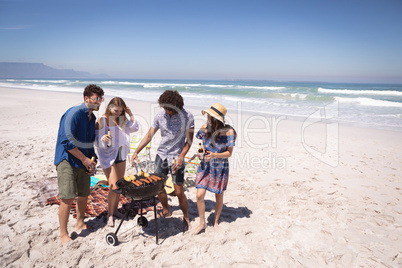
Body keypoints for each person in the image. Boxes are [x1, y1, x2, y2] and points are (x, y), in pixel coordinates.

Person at [131, 90, 194, 228]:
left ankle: (186, 216)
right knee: (158, 187)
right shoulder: (160, 115)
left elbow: (189, 141)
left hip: (177, 156)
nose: (166, 111)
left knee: (178, 191)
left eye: (168, 109)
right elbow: (149, 136)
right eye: (164, 107)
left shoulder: (188, 116)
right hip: (161, 156)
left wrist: (181, 157)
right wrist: (136, 151)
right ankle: (166, 210)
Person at [54, 84, 105, 244]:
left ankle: (80, 223)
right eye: (96, 99)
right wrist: (84, 159)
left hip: (84, 160)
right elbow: (66, 141)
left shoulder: (92, 119)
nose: (99, 102)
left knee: (84, 195)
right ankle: (63, 234)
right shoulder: (74, 113)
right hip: (66, 160)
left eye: (100, 99)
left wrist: (92, 159)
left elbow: (89, 142)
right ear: (86, 99)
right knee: (67, 198)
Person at [95, 97, 139, 227]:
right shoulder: (102, 120)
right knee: (113, 186)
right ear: (109, 107)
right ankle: (110, 215)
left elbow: (134, 128)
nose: (117, 113)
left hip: (121, 153)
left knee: (119, 186)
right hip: (108, 155)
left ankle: (115, 210)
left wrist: (130, 114)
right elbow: (96, 140)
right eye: (115, 110)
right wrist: (102, 137)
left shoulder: (122, 119)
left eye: (120, 111)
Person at [193, 103, 236, 235]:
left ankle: (216, 221)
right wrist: (201, 152)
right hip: (205, 165)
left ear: (216, 119)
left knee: (219, 195)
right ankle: (202, 223)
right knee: (199, 195)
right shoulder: (205, 128)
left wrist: (215, 155)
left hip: (220, 167)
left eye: (210, 116)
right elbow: (203, 146)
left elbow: (229, 153)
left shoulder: (229, 132)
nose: (207, 118)